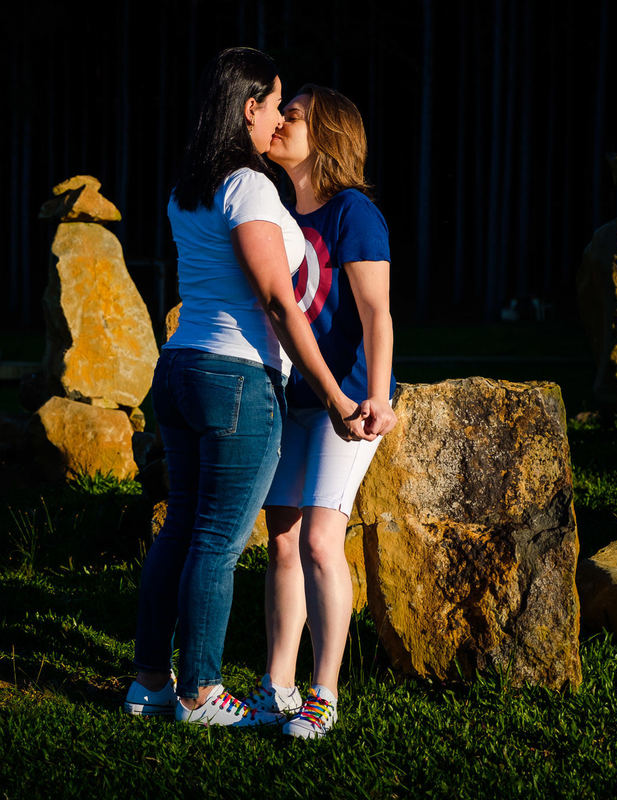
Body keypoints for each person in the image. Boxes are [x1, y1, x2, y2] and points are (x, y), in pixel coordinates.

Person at [123, 50, 363, 728]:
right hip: (235, 379)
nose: (280, 118)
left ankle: (148, 682)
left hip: (179, 369)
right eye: (275, 104)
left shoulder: (187, 186)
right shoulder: (249, 187)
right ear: (247, 106)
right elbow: (278, 302)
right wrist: (337, 396)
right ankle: (199, 692)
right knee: (217, 542)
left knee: (180, 533)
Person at [245, 85, 397, 738]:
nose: (278, 124)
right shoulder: (277, 213)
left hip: (352, 401)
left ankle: (324, 693)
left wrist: (376, 398)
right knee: (280, 540)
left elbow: (376, 316)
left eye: (293, 116)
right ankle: (274, 687)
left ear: (327, 135)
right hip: (293, 400)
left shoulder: (353, 213)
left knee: (317, 539)